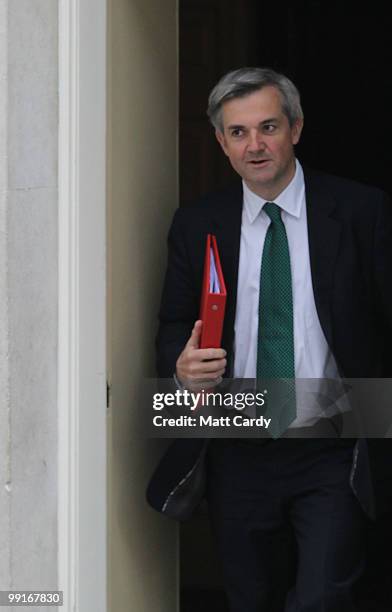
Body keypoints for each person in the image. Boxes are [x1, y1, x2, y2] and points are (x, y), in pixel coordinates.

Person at [147, 67, 392, 611]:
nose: (254, 145)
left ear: (296, 128)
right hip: (238, 446)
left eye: (268, 127)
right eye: (238, 132)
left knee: (322, 597)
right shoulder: (197, 223)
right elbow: (170, 324)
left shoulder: (360, 211)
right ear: (221, 141)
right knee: (250, 597)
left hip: (332, 443)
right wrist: (181, 368)